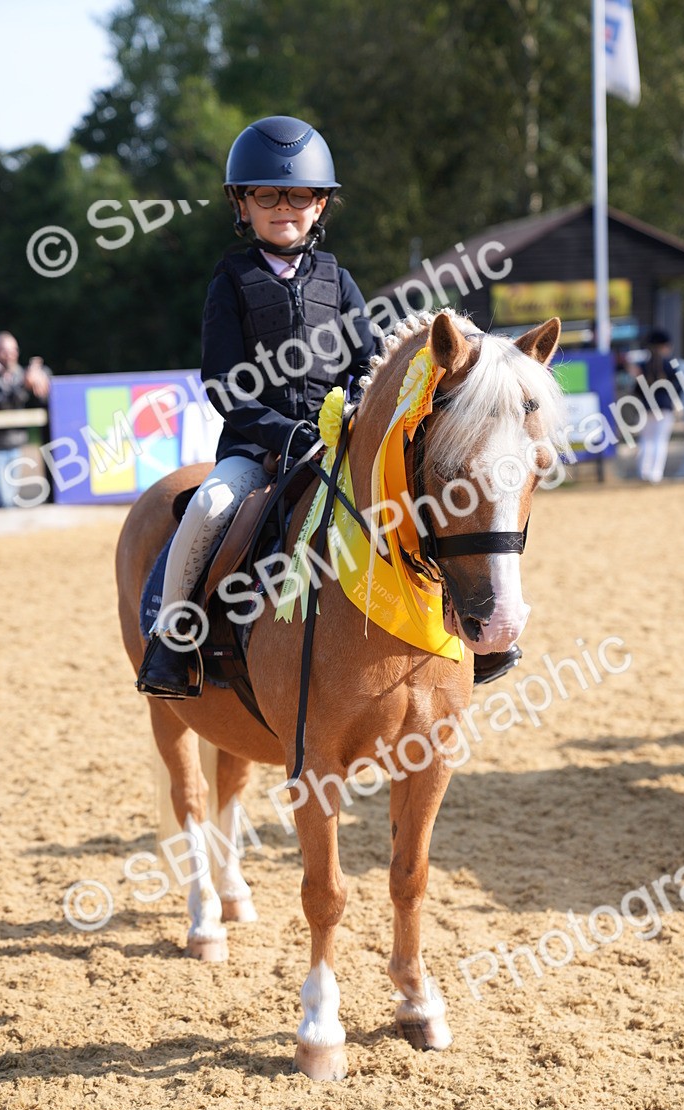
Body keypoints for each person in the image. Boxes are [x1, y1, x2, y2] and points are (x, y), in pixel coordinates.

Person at [136, 115, 524, 697]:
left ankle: (476, 624)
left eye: (300, 195)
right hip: (256, 449)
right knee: (209, 508)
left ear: (321, 205)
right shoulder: (231, 280)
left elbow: (368, 362)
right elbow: (223, 382)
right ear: (242, 205)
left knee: (428, 506)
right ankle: (173, 642)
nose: (284, 206)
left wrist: (350, 419)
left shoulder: (337, 280)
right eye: (267, 195)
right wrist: (284, 434)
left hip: (338, 440)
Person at [0, 332, 51, 508]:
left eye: (14, 350)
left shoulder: (17, 372)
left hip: (15, 442)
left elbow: (35, 398)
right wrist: (22, 386)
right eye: (5, 350)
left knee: (11, 496)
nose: (11, 354)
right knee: (4, 500)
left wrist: (40, 378)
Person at [634, 329, 677, 484]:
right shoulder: (670, 364)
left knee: (646, 440)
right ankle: (656, 474)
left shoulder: (643, 365)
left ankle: (643, 472)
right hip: (664, 407)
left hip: (647, 407)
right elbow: (678, 387)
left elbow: (637, 389)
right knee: (660, 440)